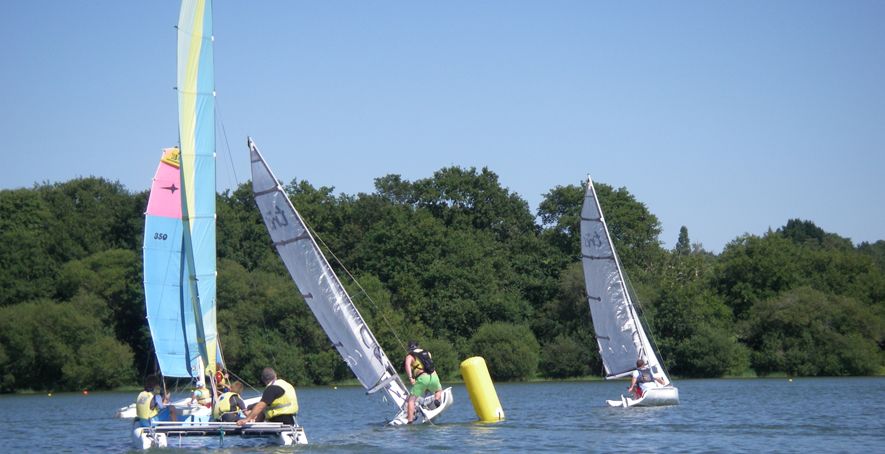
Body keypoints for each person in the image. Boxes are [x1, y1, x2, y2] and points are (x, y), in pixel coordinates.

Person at [404, 340, 442, 424]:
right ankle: (436, 399)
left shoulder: (410, 356)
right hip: (434, 376)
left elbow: (407, 365)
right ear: (418, 346)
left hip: (422, 378)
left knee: (411, 400)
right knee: (438, 390)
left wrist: (410, 378)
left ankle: (410, 421)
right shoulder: (427, 353)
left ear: (409, 347)